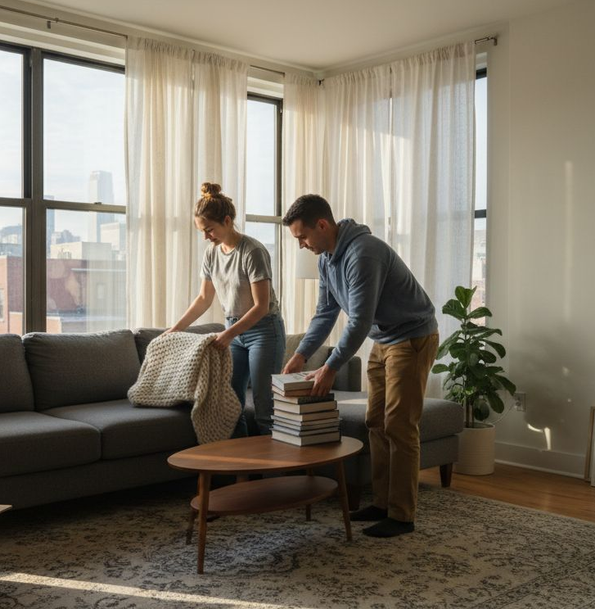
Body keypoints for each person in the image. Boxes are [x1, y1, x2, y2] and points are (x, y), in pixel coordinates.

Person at [281, 194, 438, 538]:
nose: (301, 245)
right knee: (376, 422)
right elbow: (325, 313)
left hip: (411, 337)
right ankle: (382, 503)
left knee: (399, 424)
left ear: (322, 225)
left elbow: (359, 321)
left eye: (302, 237)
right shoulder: (326, 259)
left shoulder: (363, 253)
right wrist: (302, 355)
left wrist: (331, 367)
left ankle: (402, 515)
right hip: (384, 339)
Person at [165, 182, 285, 437]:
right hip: (234, 330)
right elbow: (203, 299)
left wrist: (229, 334)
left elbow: (261, 306)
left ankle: (273, 473)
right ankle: (241, 472)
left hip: (263, 331)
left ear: (227, 221)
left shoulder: (252, 252)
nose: (206, 237)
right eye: (202, 231)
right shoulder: (211, 253)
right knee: (230, 406)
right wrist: (174, 330)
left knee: (265, 405)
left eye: (209, 230)